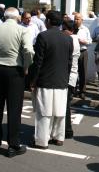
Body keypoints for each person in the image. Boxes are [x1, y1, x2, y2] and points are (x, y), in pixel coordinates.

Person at [0, 7, 34, 157]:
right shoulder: (22, 30)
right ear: (18, 17)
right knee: (14, 109)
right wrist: (26, 67)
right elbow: (29, 51)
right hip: (14, 71)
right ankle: (13, 145)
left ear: (5, 17)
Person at [29, 11, 73, 149]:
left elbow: (38, 62)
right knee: (60, 112)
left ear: (48, 21)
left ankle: (42, 140)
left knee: (44, 112)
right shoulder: (68, 38)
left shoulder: (43, 36)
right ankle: (58, 137)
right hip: (62, 80)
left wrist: (32, 80)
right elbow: (69, 62)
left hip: (46, 80)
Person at [62, 20, 80, 139]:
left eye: (64, 29)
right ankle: (66, 129)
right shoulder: (74, 39)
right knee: (65, 105)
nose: (62, 32)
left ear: (71, 30)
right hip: (71, 76)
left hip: (69, 76)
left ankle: (67, 130)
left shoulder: (71, 40)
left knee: (65, 105)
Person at [74, 13, 92, 99]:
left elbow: (90, 41)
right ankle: (73, 90)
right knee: (73, 72)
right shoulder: (72, 28)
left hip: (83, 52)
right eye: (75, 19)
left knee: (83, 72)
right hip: (73, 52)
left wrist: (83, 42)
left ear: (82, 20)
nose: (76, 20)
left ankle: (82, 91)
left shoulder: (85, 29)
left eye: (78, 19)